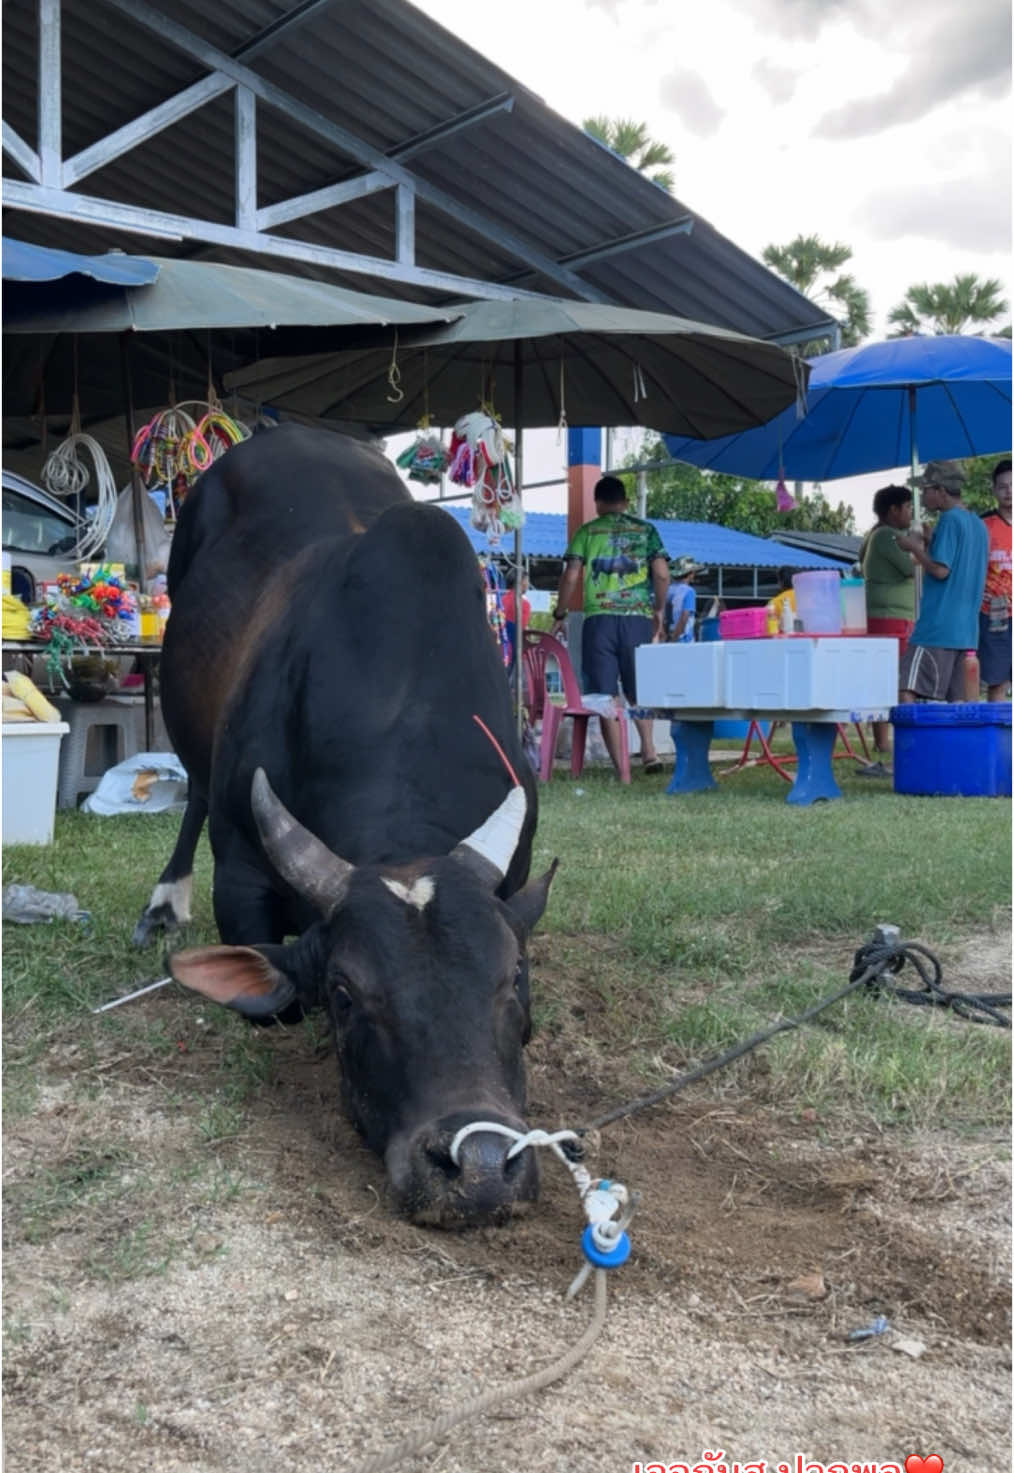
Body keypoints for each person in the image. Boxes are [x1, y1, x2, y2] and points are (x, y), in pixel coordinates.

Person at [551, 474, 669, 774]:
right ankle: (650, 751)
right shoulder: (647, 531)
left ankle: (622, 769)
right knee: (638, 689)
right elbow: (663, 574)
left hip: (599, 620)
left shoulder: (587, 532)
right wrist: (658, 609)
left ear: (598, 503)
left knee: (605, 694)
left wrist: (561, 614)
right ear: (626, 502)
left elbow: (572, 576)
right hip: (638, 618)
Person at [896, 460, 989, 703]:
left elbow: (941, 571)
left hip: (937, 628)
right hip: (967, 632)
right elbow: (962, 566)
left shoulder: (949, 520)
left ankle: (916, 742)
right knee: (958, 704)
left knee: (907, 688)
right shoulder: (979, 525)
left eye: (925, 489)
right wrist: (931, 540)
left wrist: (914, 548)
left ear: (941, 491)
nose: (922, 495)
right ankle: (956, 743)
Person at [857, 484, 917, 774]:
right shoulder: (886, 535)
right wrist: (921, 545)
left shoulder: (876, 534)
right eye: (908, 507)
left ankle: (883, 740)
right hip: (891, 617)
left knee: (883, 679)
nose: (911, 513)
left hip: (885, 615)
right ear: (893, 510)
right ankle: (886, 741)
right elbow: (910, 568)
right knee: (897, 681)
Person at [978, 458, 1012, 701]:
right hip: (995, 614)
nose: (1009, 491)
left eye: (1012, 485)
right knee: (997, 681)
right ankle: (997, 738)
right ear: (994, 490)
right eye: (1003, 486)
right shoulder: (983, 526)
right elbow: (970, 567)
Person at [665, 556, 700, 642]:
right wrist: (675, 638)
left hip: (668, 636)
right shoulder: (689, 591)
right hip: (684, 639)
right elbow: (685, 616)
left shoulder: (668, 590)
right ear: (690, 574)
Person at [501, 564, 531, 667]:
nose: (528, 584)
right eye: (527, 580)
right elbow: (520, 629)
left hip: (500, 648)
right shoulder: (525, 605)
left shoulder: (501, 600)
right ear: (521, 581)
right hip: (514, 650)